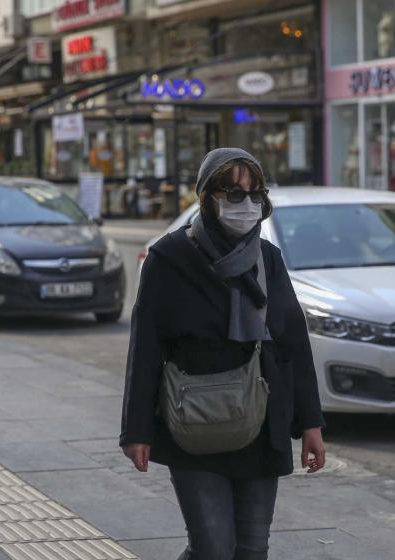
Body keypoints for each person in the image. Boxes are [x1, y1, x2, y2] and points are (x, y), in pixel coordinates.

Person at [120, 147, 325, 560]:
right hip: (193, 418)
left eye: (254, 195)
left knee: (251, 549)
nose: (245, 205)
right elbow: (145, 347)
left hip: (261, 420)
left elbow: (292, 344)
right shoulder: (168, 258)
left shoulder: (268, 258)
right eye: (233, 193)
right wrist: (137, 429)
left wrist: (311, 424)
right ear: (207, 196)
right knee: (213, 548)